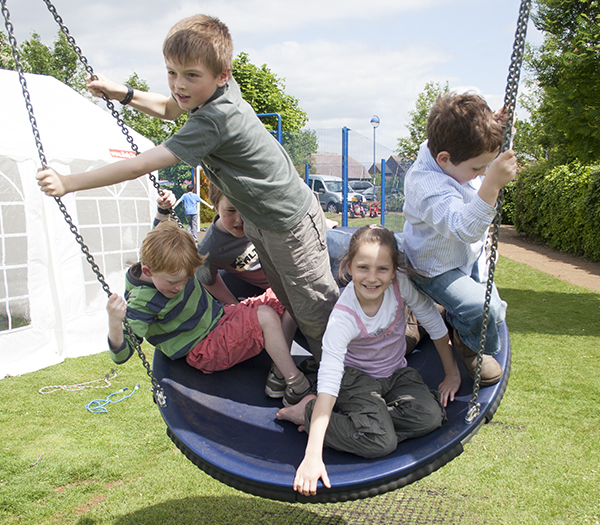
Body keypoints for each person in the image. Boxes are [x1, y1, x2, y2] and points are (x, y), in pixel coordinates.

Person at [36, 14, 339, 362]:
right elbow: (169, 108)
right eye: (171, 72)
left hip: (290, 223)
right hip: (262, 221)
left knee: (316, 311)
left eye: (190, 75)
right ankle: (328, 380)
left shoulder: (215, 119)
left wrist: (68, 182)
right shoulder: (214, 89)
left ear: (220, 74)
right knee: (292, 304)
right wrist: (124, 93)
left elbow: (140, 164)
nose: (178, 84)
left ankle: (351, 390)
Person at [276, 225, 461, 496]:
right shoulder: (344, 316)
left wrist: (452, 373)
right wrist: (313, 455)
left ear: (394, 270)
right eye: (363, 268)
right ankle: (307, 411)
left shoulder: (401, 286)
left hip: (396, 373)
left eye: (382, 269)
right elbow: (329, 380)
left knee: (431, 417)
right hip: (356, 379)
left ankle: (367, 424)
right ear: (349, 267)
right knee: (380, 443)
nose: (372, 278)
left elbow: (433, 322)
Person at [106, 221, 312, 406]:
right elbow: (122, 355)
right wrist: (115, 322)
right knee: (266, 316)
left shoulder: (165, 264)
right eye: (173, 282)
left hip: (221, 317)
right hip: (205, 347)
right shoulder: (143, 302)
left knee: (284, 293)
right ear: (148, 271)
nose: (180, 287)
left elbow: (159, 229)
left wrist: (162, 208)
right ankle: (296, 382)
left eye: (187, 279)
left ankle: (279, 374)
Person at [402, 92, 518, 386]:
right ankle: (468, 343)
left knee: (484, 308)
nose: (482, 173)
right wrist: (491, 183)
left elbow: (482, 153)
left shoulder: (455, 155)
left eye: (484, 168)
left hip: (466, 254)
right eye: (477, 169)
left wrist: (501, 128)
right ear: (444, 159)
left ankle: (462, 334)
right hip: (433, 267)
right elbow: (463, 227)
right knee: (484, 308)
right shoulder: (425, 183)